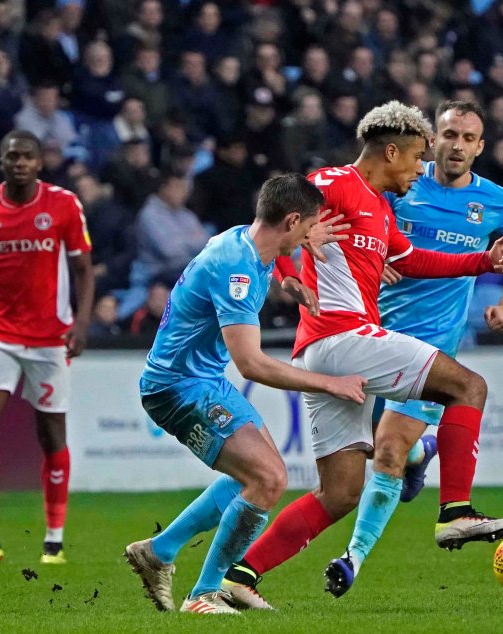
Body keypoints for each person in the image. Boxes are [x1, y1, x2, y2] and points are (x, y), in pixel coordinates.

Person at [222, 101, 503, 608]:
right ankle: (455, 511)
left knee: (339, 493)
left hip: (324, 355)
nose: (420, 170)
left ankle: (241, 576)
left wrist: (483, 262)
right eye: (417, 158)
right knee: (469, 387)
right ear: (391, 152)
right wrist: (289, 273)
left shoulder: (381, 208)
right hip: (345, 337)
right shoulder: (336, 182)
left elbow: (414, 259)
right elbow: (271, 222)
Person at [123, 173, 367, 615]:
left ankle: (159, 551)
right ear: (291, 220)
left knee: (255, 478)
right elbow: (251, 364)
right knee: (268, 478)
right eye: (310, 224)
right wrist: (331, 383)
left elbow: (265, 267)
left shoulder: (249, 244)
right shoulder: (235, 266)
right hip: (176, 387)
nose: (313, 233)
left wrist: (289, 280)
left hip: (202, 379)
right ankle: (204, 595)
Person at [376, 100, 503, 505]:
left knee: (388, 450)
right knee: (372, 445)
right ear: (433, 140)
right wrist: (375, 262)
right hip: (374, 331)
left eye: (468, 138)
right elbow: (367, 233)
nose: (458, 145)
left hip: (433, 343)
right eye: (450, 135)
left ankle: (360, 549)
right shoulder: (404, 184)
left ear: (480, 147)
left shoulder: (498, 201)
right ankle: (421, 452)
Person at [0, 130, 94, 565]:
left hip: (51, 338)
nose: (19, 162)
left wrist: (81, 322)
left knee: (51, 435)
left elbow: (84, 269)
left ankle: (54, 542)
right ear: (1, 161)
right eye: (12, 156)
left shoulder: (64, 204)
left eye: (27, 156)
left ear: (38, 163)